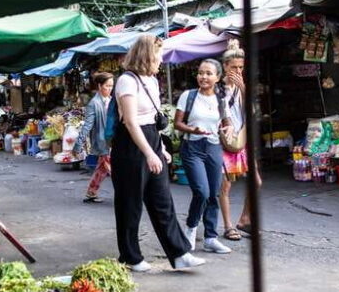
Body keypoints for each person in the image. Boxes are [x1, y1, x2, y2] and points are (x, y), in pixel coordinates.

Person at [111, 35, 204, 272]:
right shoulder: (126, 81)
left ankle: (179, 253)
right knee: (130, 205)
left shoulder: (151, 81)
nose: (161, 60)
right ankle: (130, 257)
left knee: (163, 201)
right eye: (158, 55)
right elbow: (131, 122)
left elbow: (153, 119)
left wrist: (160, 149)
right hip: (130, 146)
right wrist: (149, 154)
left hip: (151, 139)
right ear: (147, 55)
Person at [174, 59, 233, 254]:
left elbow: (226, 121)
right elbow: (177, 123)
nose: (203, 77)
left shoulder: (221, 99)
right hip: (192, 147)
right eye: (201, 73)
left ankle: (210, 238)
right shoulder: (188, 96)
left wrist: (228, 129)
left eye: (208, 73)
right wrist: (193, 129)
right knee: (202, 192)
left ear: (217, 77)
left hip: (214, 148)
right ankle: (191, 228)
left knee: (214, 194)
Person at [217, 43, 262, 238]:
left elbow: (251, 113)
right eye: (234, 67)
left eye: (241, 67)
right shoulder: (217, 87)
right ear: (225, 66)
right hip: (224, 140)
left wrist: (243, 88)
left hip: (242, 138)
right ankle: (228, 226)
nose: (237, 71)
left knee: (256, 181)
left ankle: (244, 219)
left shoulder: (241, 88)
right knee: (226, 186)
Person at [73, 72, 114, 203]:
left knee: (102, 169)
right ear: (99, 86)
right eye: (107, 86)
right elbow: (87, 126)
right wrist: (78, 145)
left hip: (112, 140)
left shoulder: (111, 100)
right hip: (103, 142)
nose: (110, 88)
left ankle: (91, 192)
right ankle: (128, 195)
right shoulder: (93, 103)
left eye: (111, 86)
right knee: (116, 171)